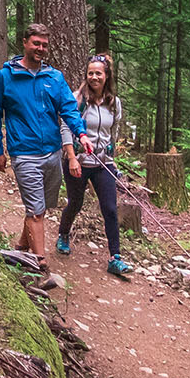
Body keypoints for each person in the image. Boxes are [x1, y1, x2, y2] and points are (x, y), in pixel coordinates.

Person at [0, 24, 95, 255]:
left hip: (52, 153)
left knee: (41, 208)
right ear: (24, 42)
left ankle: (22, 246)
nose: (40, 48)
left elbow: (68, 109)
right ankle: (40, 264)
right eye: (36, 43)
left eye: (44, 45)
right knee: (36, 210)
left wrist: (81, 134)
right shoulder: (6, 77)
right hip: (24, 153)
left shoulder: (54, 77)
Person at [56, 52, 131, 277]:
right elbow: (66, 128)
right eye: (90, 73)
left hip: (103, 163)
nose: (94, 77)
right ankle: (64, 233)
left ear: (106, 76)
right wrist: (70, 158)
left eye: (98, 73)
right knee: (76, 203)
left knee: (109, 208)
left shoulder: (114, 103)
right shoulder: (77, 99)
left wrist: (113, 160)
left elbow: (113, 133)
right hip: (78, 160)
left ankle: (115, 257)